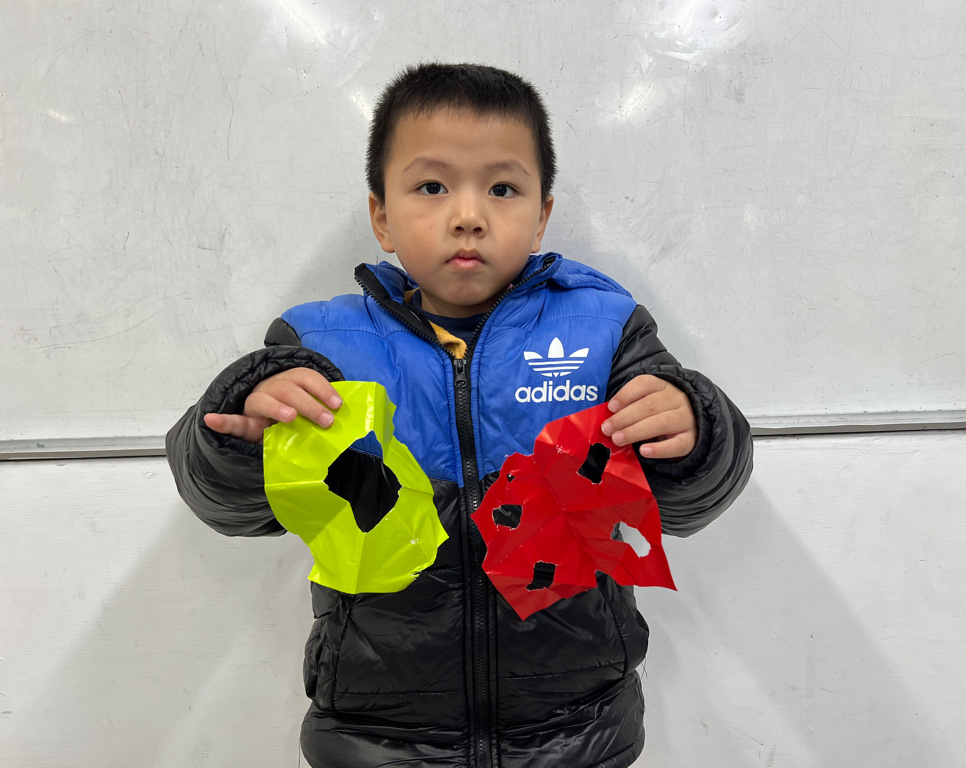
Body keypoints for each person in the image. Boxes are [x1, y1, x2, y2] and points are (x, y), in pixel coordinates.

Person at [166, 62, 753, 768]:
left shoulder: (605, 330)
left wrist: (693, 431)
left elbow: (691, 501)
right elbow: (228, 508)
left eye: (502, 189)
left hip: (579, 728)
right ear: (382, 217)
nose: (468, 215)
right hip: (374, 735)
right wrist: (242, 432)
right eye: (432, 187)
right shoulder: (318, 347)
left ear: (541, 216)